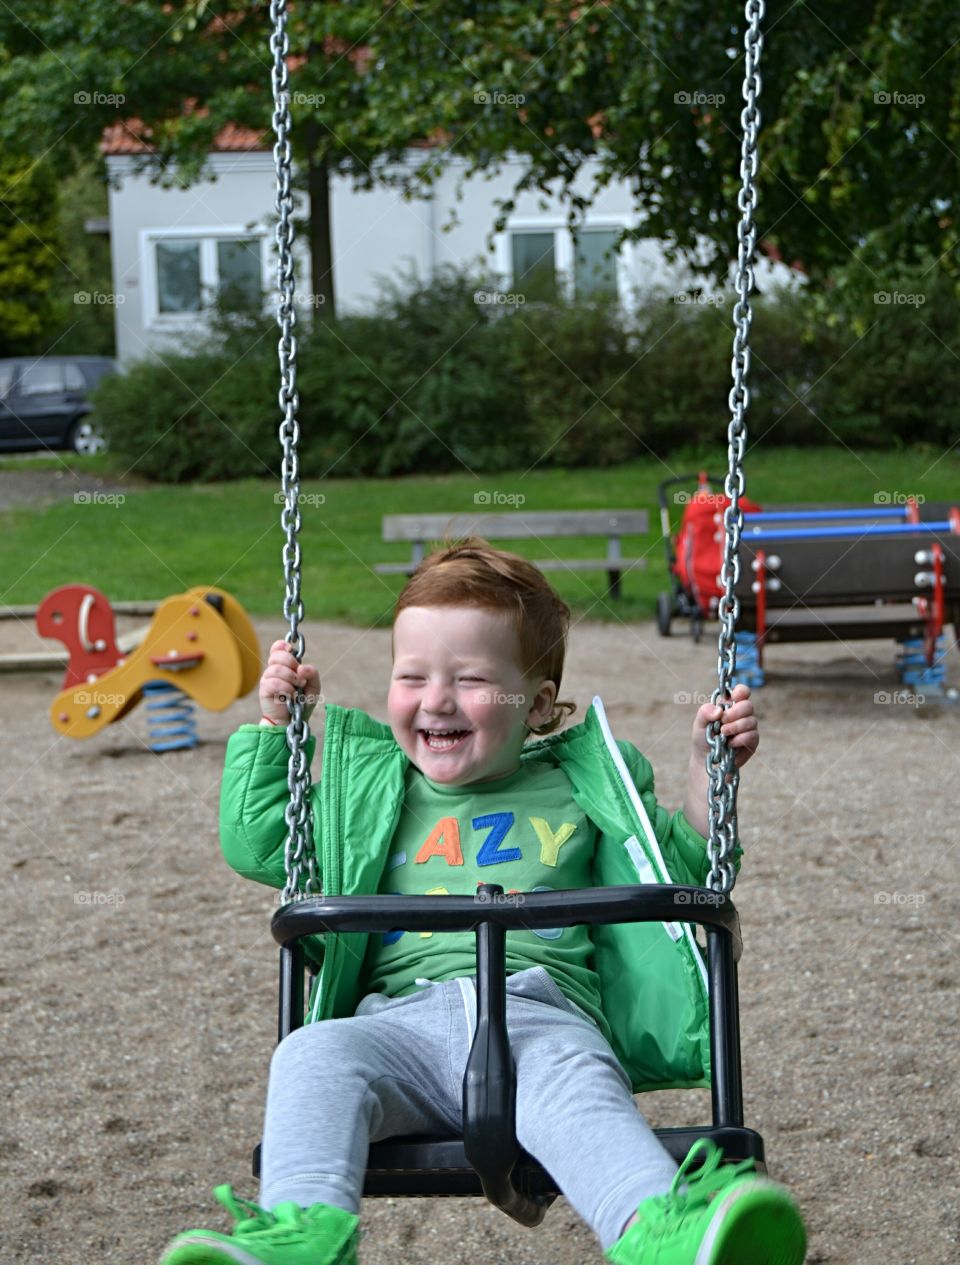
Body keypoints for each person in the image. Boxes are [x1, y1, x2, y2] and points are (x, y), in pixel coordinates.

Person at [160, 538, 805, 1265]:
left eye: (469, 679)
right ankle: (301, 1234)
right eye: (412, 676)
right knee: (313, 1053)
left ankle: (662, 1232)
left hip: (543, 1015)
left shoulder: (585, 783)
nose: (435, 699)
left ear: (534, 706)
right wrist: (278, 729)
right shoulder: (370, 791)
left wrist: (705, 769)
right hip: (397, 1023)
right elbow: (256, 842)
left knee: (583, 1093)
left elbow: (680, 874)